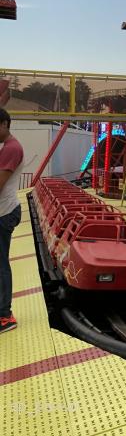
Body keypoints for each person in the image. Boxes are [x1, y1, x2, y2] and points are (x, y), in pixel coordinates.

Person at [0, 108, 24, 334]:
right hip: (4, 210)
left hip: (4, 213)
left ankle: (5, 316)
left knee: (1, 265)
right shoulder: (6, 148)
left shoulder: (11, 148)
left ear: (5, 124)